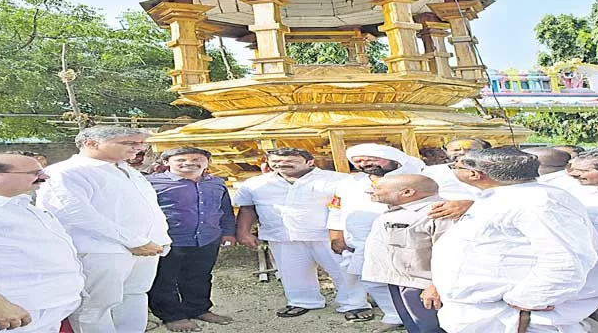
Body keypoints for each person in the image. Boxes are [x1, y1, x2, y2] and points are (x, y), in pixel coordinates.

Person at [431, 147, 598, 332]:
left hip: (520, 319)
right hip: (487, 315)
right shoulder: (507, 197)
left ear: (475, 174)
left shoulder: (541, 203)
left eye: (455, 167)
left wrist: (525, 301)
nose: (452, 169)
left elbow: (565, 262)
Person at [38, 126, 172, 333]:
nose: (139, 148)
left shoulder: (126, 169)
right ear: (91, 143)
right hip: (101, 250)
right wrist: (133, 241)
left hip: (146, 248)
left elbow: (150, 207)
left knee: (135, 296)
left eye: (140, 143)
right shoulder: (65, 172)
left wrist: (160, 237)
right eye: (130, 143)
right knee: (94, 308)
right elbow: (75, 213)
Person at [234, 148, 369, 320]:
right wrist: (243, 232)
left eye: (290, 161)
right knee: (292, 272)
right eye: (275, 162)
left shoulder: (338, 180)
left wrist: (343, 235)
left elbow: (353, 207)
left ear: (310, 162)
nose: (282, 165)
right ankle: (302, 301)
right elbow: (247, 208)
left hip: (326, 236)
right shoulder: (255, 184)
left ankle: (355, 304)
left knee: (343, 271)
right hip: (282, 235)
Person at [0, 153, 83, 332]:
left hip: (37, 308)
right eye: (34, 173)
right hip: (7, 315)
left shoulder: (13, 203)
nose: (44, 177)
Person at [328, 143, 426, 332]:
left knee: (412, 282)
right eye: (358, 161)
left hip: (409, 240)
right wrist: (336, 234)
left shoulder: (420, 176)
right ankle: (393, 315)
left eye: (370, 159)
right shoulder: (348, 183)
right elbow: (335, 209)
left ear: (392, 159)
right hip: (363, 242)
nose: (364, 164)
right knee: (372, 280)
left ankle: (424, 320)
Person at [146, 147, 236, 332]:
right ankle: (172, 316)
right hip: (169, 241)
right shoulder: (150, 183)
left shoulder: (217, 183)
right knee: (164, 279)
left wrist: (228, 233)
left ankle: (198, 309)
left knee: (200, 276)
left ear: (207, 163)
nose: (189, 163)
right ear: (166, 162)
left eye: (196, 159)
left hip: (206, 239)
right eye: (181, 160)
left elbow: (225, 211)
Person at [363, 175, 451, 333]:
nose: (369, 191)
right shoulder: (395, 211)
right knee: (415, 327)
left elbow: (451, 255)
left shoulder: (438, 212)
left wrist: (437, 285)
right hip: (399, 281)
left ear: (407, 192)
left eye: (378, 189)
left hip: (423, 286)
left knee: (434, 328)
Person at [421, 138, 491, 220]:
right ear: (446, 152)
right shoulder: (431, 172)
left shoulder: (496, 171)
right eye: (456, 150)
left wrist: (473, 205)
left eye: (470, 149)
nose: (462, 152)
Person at [567, 148, 598, 272]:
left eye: (583, 170)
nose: (573, 174)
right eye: (573, 169)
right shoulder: (573, 193)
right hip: (589, 271)